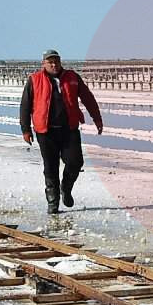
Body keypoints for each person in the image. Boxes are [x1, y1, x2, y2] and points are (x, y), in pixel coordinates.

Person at [18, 49, 104, 215]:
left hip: (69, 129)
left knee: (75, 162)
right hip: (46, 131)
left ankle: (66, 187)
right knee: (51, 167)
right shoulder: (34, 80)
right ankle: (53, 202)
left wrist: (97, 118)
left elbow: (87, 98)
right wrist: (25, 129)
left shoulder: (72, 77)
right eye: (50, 62)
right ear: (44, 64)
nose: (54, 65)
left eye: (56, 61)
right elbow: (25, 106)